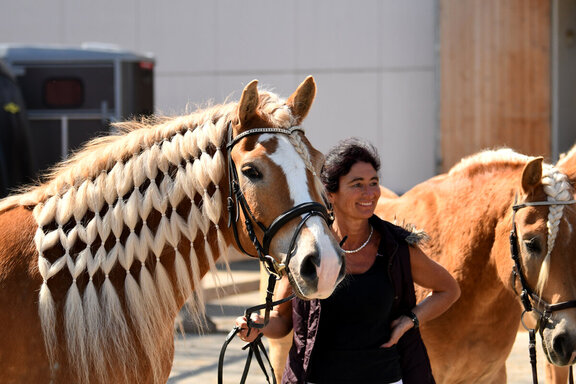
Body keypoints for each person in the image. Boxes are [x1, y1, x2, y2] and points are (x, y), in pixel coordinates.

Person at [236, 137, 460, 384]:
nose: (370, 193)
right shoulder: (307, 249)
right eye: (357, 184)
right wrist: (258, 325)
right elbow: (281, 319)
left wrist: (411, 320)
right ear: (330, 193)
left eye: (373, 183)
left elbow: (448, 289)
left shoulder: (396, 248)